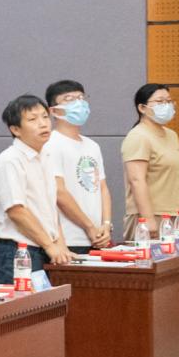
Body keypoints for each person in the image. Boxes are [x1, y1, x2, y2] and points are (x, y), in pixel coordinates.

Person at [0, 95, 73, 282]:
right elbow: (16, 211)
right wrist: (50, 245)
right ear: (15, 129)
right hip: (17, 252)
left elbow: (50, 208)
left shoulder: (46, 156)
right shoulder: (10, 160)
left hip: (44, 248)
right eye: (33, 119)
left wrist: (60, 245)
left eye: (45, 117)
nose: (43, 124)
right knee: (24, 302)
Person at [40, 80, 112, 254]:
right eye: (69, 99)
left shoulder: (92, 146)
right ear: (53, 111)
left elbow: (102, 188)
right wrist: (88, 226)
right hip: (70, 239)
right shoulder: (51, 144)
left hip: (99, 236)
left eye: (81, 98)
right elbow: (59, 192)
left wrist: (106, 224)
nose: (78, 103)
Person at [122, 83, 179, 237]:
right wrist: (148, 219)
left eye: (169, 101)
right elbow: (136, 180)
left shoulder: (172, 135)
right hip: (152, 216)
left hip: (176, 215)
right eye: (160, 101)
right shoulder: (138, 136)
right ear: (142, 108)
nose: (166, 105)